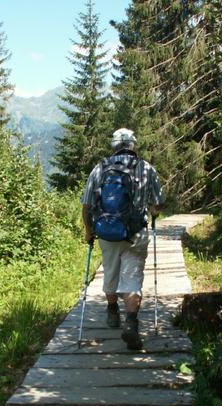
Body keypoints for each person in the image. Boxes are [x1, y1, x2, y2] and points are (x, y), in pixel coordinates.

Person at [81, 128, 164, 350]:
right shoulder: (146, 168)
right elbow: (157, 205)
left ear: (114, 146)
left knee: (110, 272)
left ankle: (112, 312)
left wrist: (89, 231)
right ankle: (131, 323)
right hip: (136, 234)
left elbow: (87, 205)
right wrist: (153, 213)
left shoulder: (100, 168)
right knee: (132, 277)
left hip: (108, 233)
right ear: (133, 145)